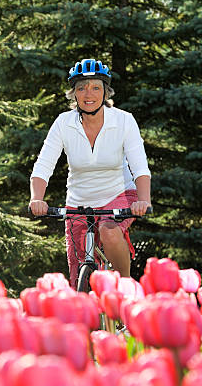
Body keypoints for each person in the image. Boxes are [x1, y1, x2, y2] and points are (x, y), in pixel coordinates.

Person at [29, 58, 151, 288]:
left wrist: (143, 201)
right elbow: (43, 165)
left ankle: (126, 289)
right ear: (73, 94)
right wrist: (37, 198)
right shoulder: (64, 123)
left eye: (96, 87)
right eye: (81, 87)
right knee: (78, 284)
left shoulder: (124, 120)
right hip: (79, 203)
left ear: (106, 92)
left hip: (119, 195)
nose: (88, 93)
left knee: (109, 231)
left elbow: (140, 167)